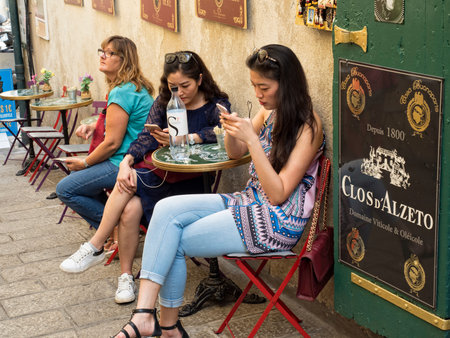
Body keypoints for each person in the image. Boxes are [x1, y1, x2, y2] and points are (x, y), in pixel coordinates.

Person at [112, 44, 325, 338]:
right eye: (254, 86)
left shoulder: (309, 126)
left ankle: (164, 325)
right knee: (165, 211)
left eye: (264, 87)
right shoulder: (268, 111)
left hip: (277, 220)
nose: (258, 95)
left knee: (172, 239)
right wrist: (229, 131)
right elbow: (236, 151)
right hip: (249, 203)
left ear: (287, 84)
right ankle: (146, 316)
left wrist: (251, 139)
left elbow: (278, 194)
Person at [60, 51, 230, 304]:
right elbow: (145, 137)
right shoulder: (165, 101)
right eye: (174, 87)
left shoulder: (216, 102)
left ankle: (95, 246)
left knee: (128, 188)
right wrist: (126, 162)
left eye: (186, 86)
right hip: (162, 175)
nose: (180, 92)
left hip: (192, 180)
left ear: (200, 79)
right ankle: (125, 278)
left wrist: (188, 138)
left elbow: (222, 130)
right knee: (128, 207)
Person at [55, 35, 154, 231]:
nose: (103, 56)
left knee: (65, 189)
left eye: (110, 53)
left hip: (124, 163)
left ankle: (117, 227)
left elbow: (112, 144)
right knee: (84, 186)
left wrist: (85, 163)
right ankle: (119, 225)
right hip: (136, 159)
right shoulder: (132, 87)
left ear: (124, 60)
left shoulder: (122, 92)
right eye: (102, 52)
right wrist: (94, 127)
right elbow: (124, 124)